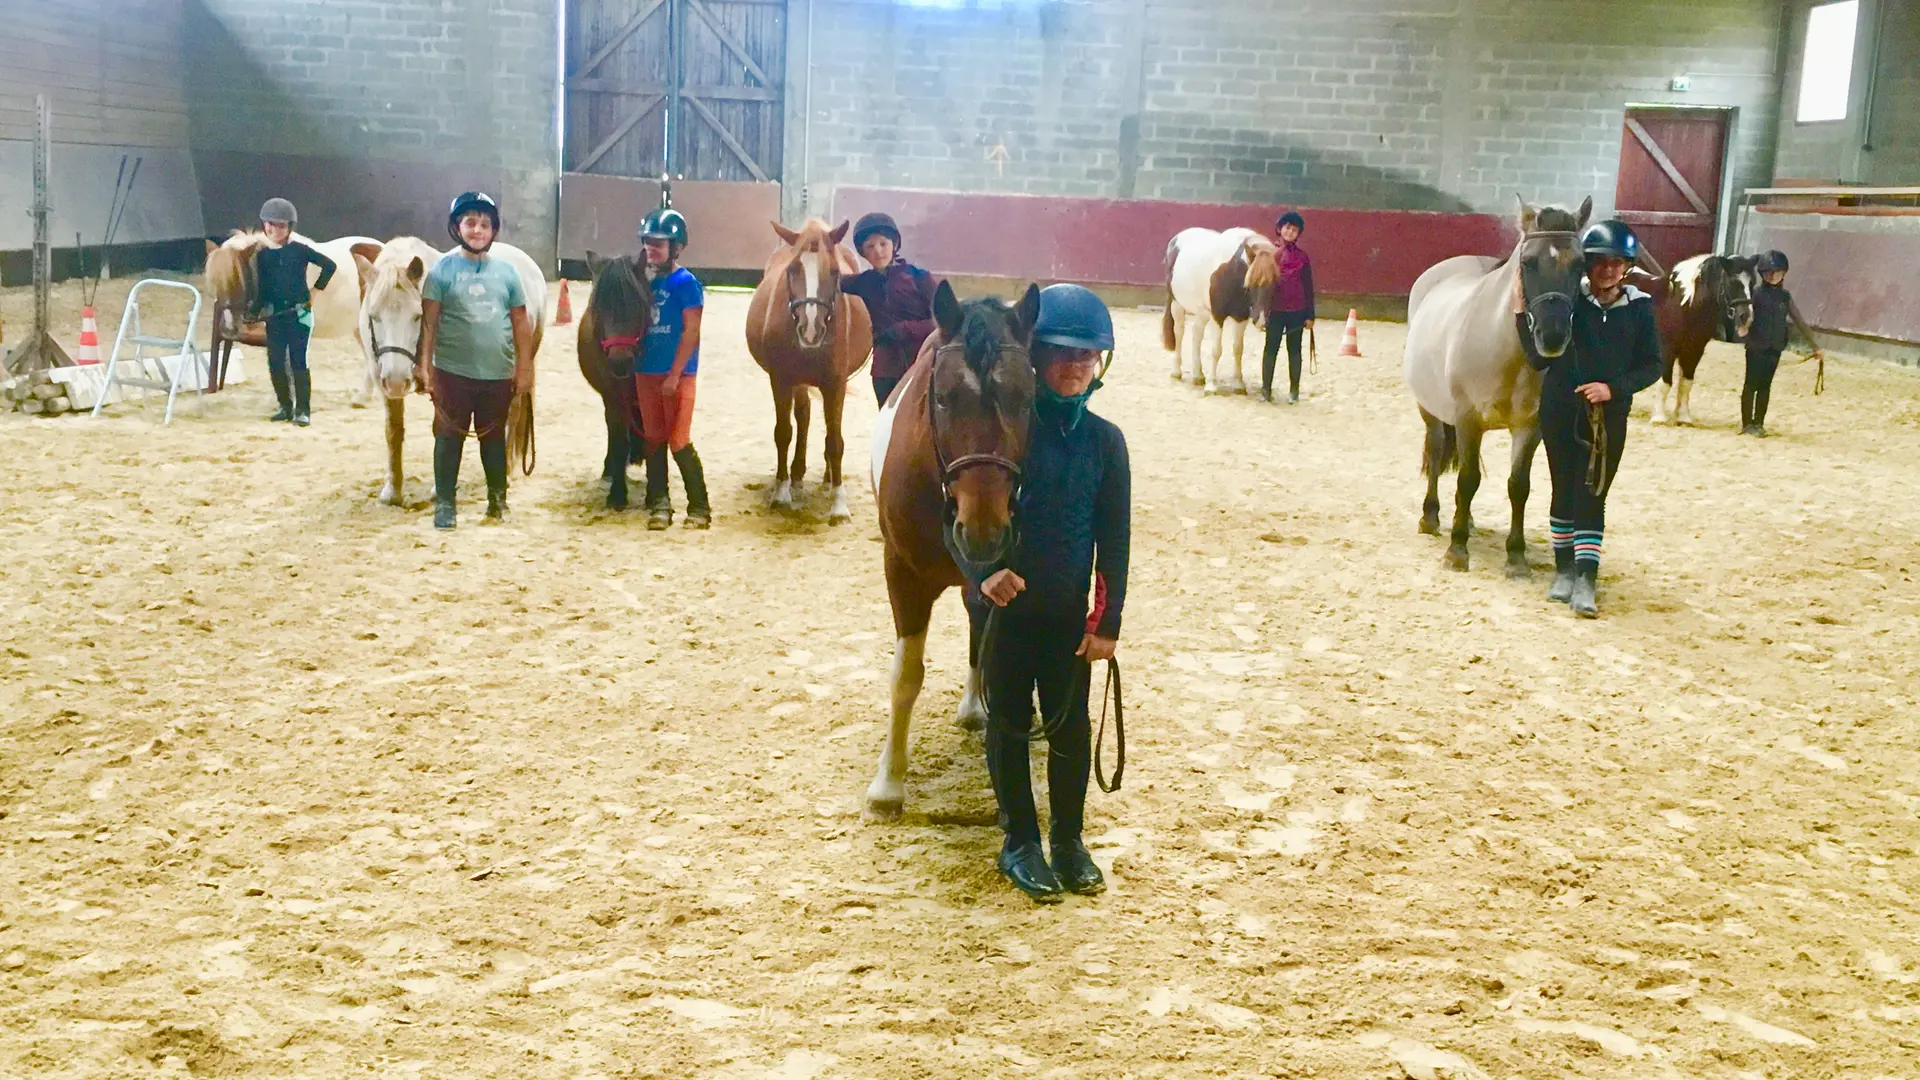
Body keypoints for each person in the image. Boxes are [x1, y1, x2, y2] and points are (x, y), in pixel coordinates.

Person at [969, 283, 1131, 903]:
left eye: (1087, 357)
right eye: (1062, 353)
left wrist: (1107, 620)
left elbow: (1113, 539)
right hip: (1008, 615)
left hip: (1068, 618)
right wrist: (984, 571)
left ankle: (1068, 839)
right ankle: (1020, 841)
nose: (1075, 366)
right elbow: (955, 516)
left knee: (1069, 730)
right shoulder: (1007, 431)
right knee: (1008, 726)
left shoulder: (1106, 443)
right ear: (1035, 358)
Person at [1513, 219, 1663, 618]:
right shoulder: (1570, 303)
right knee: (1562, 490)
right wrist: (1518, 310)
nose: (1609, 270)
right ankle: (1563, 571)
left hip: (1607, 418)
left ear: (1627, 266)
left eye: (1618, 263)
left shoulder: (1640, 308)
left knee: (1593, 494)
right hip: (1560, 412)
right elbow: (1535, 356)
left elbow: (1652, 366)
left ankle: (1586, 578)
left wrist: (1613, 389)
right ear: (1587, 265)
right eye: (1601, 263)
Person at [418, 191, 535, 530]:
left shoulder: (508, 274)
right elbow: (429, 324)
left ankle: (497, 500)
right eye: (470, 222)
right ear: (458, 227)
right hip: (453, 371)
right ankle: (445, 503)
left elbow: (520, 324)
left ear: (493, 230)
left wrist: (523, 369)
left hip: (497, 372)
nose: (477, 230)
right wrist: (424, 366)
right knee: (449, 436)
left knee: (493, 436)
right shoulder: (442, 271)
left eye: (484, 224)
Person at [636, 203, 711, 531]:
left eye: (659, 244)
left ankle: (699, 507)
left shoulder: (686, 283)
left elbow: (691, 331)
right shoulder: (642, 281)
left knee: (678, 438)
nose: (652, 249)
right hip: (645, 370)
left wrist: (676, 374)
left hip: (678, 373)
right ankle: (660, 503)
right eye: (648, 242)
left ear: (675, 247)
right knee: (653, 437)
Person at [250, 198, 335, 426]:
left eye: (281, 225)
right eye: (270, 224)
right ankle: (285, 406)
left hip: (299, 315)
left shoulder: (300, 250)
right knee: (275, 362)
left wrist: (315, 291)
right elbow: (263, 289)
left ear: (289, 228)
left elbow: (330, 265)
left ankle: (303, 409)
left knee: (298, 361)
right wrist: (253, 312)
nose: (274, 229)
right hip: (275, 316)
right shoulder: (263, 256)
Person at [843, 212, 940, 405]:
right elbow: (827, 281)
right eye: (870, 246)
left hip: (921, 364)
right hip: (884, 370)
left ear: (894, 245)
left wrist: (904, 329)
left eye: (883, 244)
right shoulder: (863, 282)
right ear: (863, 253)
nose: (878, 251)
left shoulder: (920, 278)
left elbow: (940, 323)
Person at [1742, 250, 1824, 437]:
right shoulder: (1755, 294)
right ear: (1763, 274)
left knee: (1765, 386)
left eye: (1777, 272)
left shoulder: (1785, 297)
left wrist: (1815, 346)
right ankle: (1747, 423)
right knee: (1750, 385)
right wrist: (1742, 328)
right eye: (1769, 272)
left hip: (1775, 347)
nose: (1773, 276)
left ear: (1783, 273)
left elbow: (1799, 321)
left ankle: (1759, 423)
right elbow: (1744, 315)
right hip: (1756, 346)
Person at [1259, 210, 1315, 404]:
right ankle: (1265, 390)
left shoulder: (1303, 257)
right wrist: (1261, 312)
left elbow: (1308, 286)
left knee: (1295, 351)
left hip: (1297, 310)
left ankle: (1294, 390)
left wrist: (1310, 315)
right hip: (1275, 310)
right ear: (1279, 229)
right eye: (1287, 228)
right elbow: (1262, 286)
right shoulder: (1269, 254)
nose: (1290, 232)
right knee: (1270, 349)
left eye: (1294, 229)